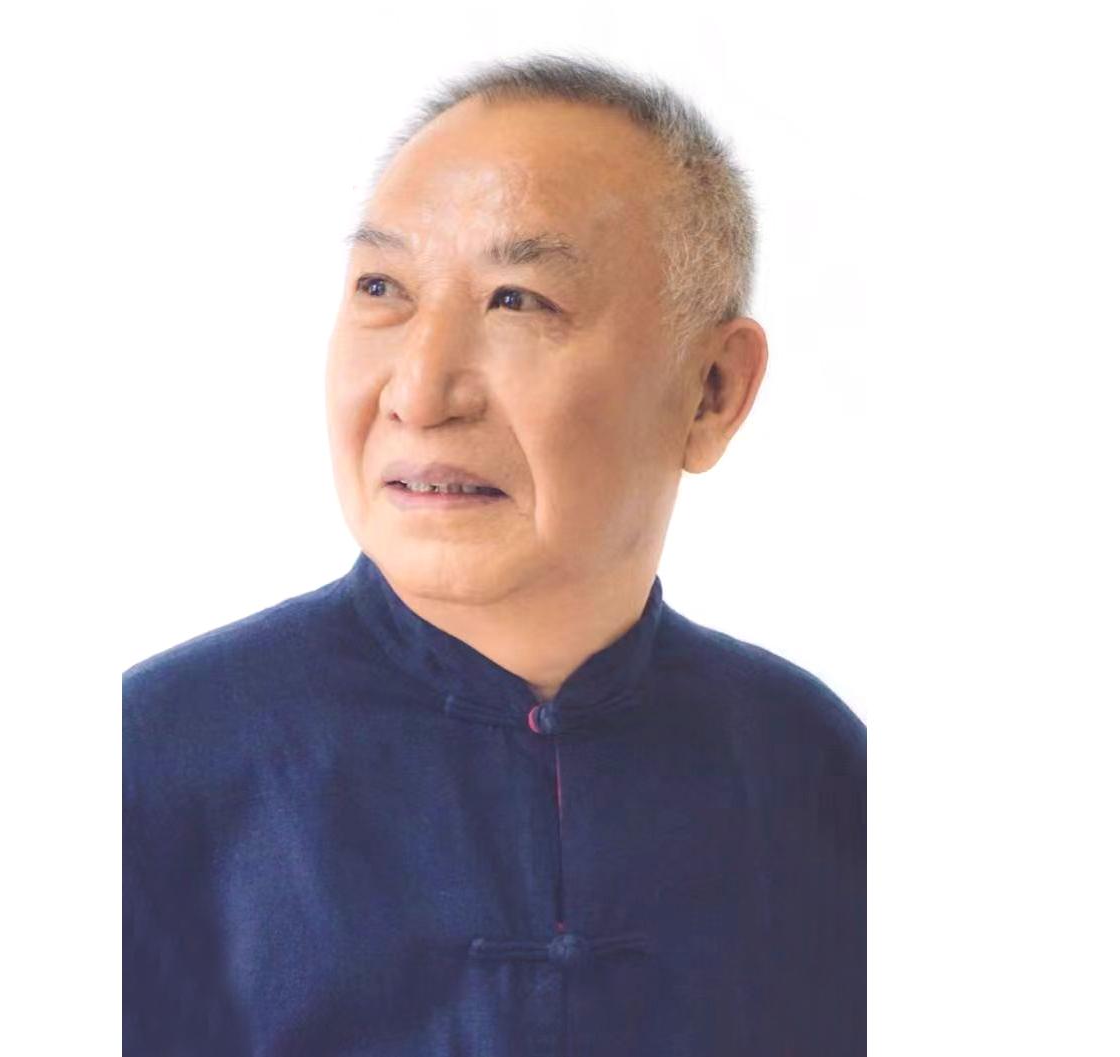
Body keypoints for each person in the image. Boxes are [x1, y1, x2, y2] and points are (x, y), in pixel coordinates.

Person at [123, 51, 866, 1056]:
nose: (418, 392)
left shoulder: (817, 772)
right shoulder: (147, 765)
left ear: (712, 391)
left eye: (517, 300)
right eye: (382, 288)